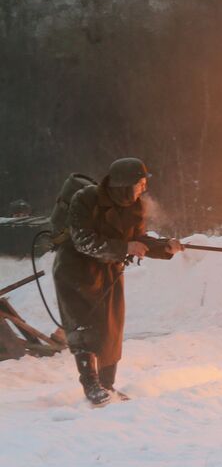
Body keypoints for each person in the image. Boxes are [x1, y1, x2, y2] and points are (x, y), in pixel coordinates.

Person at [52, 158, 183, 405]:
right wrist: (124, 247)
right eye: (140, 184)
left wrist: (164, 246)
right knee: (84, 327)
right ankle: (91, 385)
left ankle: (107, 386)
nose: (143, 189)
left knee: (111, 328)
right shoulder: (85, 199)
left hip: (108, 271)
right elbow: (83, 241)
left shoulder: (135, 206)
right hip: (75, 271)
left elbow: (138, 239)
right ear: (124, 184)